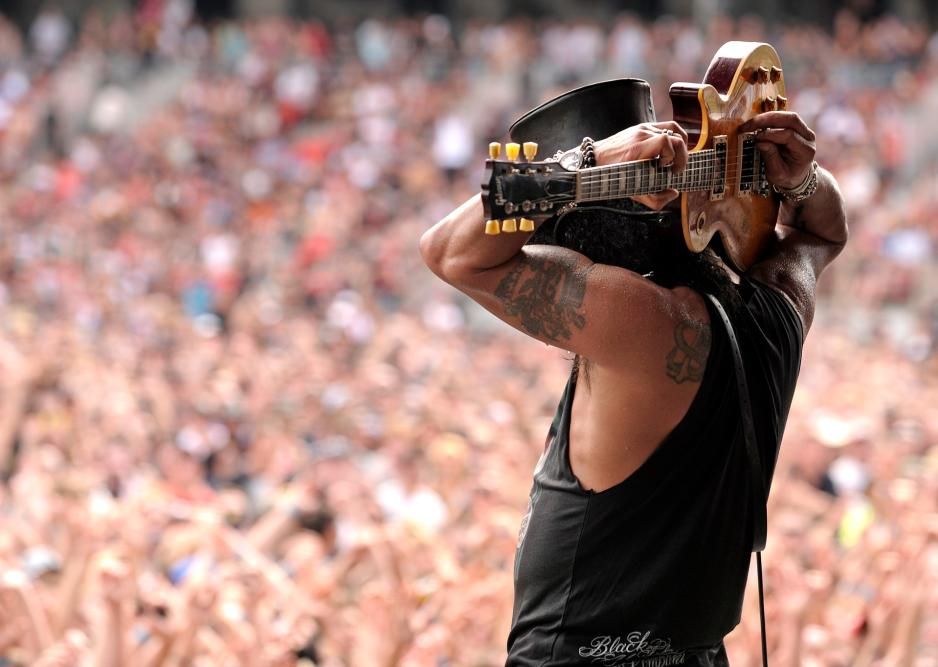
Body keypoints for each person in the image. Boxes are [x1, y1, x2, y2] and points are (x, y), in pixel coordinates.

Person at [419, 110, 848, 666]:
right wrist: (801, 181)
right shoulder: (779, 310)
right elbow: (822, 231)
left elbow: (448, 252)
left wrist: (590, 161)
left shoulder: (637, 320)